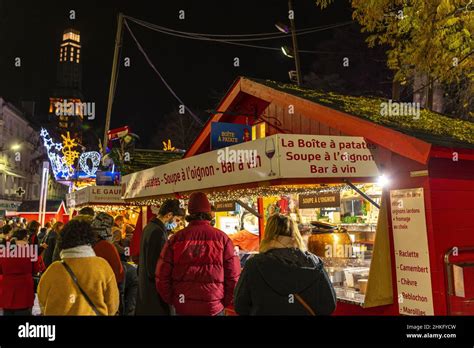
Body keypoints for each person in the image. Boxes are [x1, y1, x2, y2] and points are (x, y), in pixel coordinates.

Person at [156, 192, 241, 316]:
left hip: (183, 304)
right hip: (213, 307)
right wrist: (223, 302)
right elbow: (233, 276)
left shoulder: (175, 239)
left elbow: (161, 276)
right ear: (208, 212)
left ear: (190, 212)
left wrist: (174, 300)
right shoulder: (223, 239)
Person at [233, 214, 336, 316]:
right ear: (295, 233)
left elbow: (240, 305)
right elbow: (329, 304)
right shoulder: (314, 262)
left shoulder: (254, 264)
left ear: (268, 233)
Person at [37, 219, 120, 315]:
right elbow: (112, 305)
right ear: (90, 239)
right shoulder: (102, 267)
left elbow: (42, 301)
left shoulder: (53, 270)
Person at [135, 199, 185, 315]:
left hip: (146, 293)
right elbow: (156, 268)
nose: (176, 224)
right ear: (169, 215)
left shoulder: (150, 227)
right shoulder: (157, 232)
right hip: (154, 296)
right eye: (176, 220)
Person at [0, 229, 42, 315]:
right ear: (25, 238)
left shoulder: (3, 251)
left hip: (7, 289)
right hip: (24, 291)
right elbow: (36, 269)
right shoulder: (31, 252)